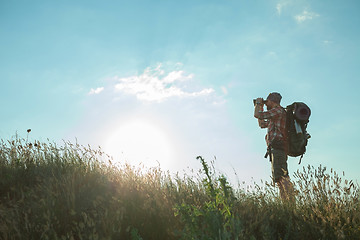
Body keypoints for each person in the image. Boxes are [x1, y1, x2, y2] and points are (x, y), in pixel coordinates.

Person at [254, 92, 294, 201]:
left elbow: (258, 114)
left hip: (278, 148)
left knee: (282, 177)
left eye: (267, 101)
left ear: (272, 101)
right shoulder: (275, 115)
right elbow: (262, 124)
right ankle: (287, 204)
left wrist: (258, 103)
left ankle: (290, 204)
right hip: (275, 149)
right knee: (279, 178)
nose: (266, 103)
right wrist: (260, 106)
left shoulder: (278, 111)